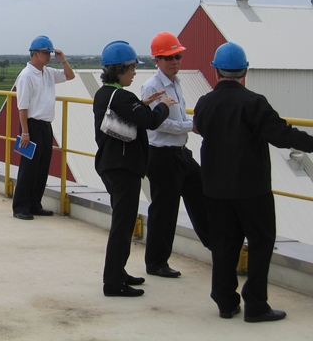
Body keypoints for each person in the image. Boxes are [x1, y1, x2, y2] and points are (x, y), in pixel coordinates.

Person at [193, 42, 313, 322]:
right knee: (261, 241)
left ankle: (225, 302)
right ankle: (256, 305)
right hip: (251, 188)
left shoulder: (204, 102)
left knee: (224, 244)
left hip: (214, 187)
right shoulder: (253, 102)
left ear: (216, 71)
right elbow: (281, 135)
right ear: (244, 71)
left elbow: (199, 128)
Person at [93, 41, 175, 297]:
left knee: (124, 221)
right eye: (131, 68)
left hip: (109, 165)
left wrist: (142, 103)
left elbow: (128, 114)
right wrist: (164, 105)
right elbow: (149, 121)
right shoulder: (123, 97)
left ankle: (119, 271)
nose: (134, 72)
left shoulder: (104, 94)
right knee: (122, 225)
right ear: (119, 70)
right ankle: (113, 282)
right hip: (124, 168)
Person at [141, 32, 210, 278]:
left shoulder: (176, 83)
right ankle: (156, 263)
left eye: (177, 56)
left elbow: (180, 117)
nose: (174, 62)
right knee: (165, 210)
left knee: (202, 196)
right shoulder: (152, 86)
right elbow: (157, 123)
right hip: (161, 155)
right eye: (168, 58)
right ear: (157, 60)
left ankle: (218, 246)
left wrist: (192, 123)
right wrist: (191, 126)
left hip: (180, 153)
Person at [13, 35, 75, 220]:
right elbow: (22, 107)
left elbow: (70, 76)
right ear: (34, 53)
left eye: (50, 53)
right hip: (31, 125)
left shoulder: (48, 73)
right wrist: (25, 132)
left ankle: (35, 204)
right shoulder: (26, 76)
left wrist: (62, 60)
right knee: (28, 168)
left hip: (46, 125)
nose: (48, 56)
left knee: (42, 166)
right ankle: (20, 206)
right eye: (45, 53)